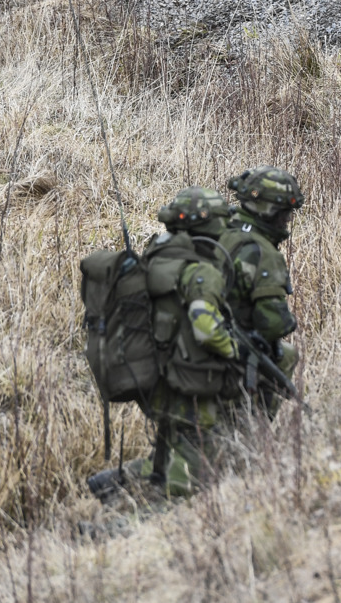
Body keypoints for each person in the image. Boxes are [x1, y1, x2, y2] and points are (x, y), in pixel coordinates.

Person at [87, 187, 242, 500]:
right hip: (189, 381)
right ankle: (129, 526)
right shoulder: (200, 272)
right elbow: (206, 328)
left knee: (164, 456)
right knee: (188, 483)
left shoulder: (155, 256)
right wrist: (233, 350)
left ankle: (109, 488)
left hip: (153, 375)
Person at [218, 166, 304, 414]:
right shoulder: (263, 254)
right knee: (284, 355)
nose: (288, 219)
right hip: (226, 345)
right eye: (285, 212)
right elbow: (274, 325)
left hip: (189, 331)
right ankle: (252, 428)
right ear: (270, 211)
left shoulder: (220, 227)